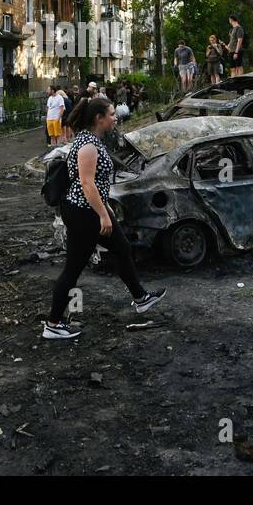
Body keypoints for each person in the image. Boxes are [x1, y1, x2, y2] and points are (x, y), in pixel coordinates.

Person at [43, 97, 164, 340]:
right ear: (99, 119)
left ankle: (140, 298)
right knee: (73, 268)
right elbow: (86, 184)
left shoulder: (91, 141)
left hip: (89, 208)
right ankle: (53, 324)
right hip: (82, 212)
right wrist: (103, 216)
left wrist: (105, 208)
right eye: (111, 114)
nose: (115, 117)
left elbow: (94, 184)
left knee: (122, 248)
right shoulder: (88, 145)